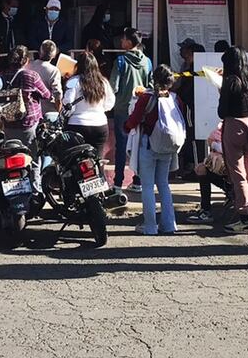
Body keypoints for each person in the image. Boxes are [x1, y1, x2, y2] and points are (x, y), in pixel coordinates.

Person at [125, 65, 182, 236]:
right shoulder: (175, 98)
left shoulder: (146, 97)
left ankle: (150, 226)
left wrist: (126, 126)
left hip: (148, 144)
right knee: (164, 184)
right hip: (167, 146)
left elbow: (133, 121)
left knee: (148, 186)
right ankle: (169, 224)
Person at [218, 46, 248, 233]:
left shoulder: (230, 81)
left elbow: (222, 111)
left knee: (238, 174)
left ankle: (244, 218)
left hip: (234, 126)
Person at [0, 45, 55, 194]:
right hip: (29, 123)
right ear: (26, 60)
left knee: (11, 158)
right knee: (33, 159)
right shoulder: (31, 76)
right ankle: (35, 192)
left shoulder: (3, 76)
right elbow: (47, 94)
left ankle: (12, 189)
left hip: (8, 122)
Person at [110, 28, 153, 194]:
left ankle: (118, 183)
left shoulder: (120, 61)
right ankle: (138, 180)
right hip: (141, 109)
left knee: (121, 146)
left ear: (129, 42)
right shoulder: (147, 62)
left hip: (122, 108)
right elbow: (150, 86)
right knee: (139, 145)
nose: (121, 42)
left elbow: (113, 87)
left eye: (123, 39)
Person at [62, 51, 115, 159]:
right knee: (97, 161)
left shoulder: (74, 81)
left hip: (77, 126)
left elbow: (69, 104)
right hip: (100, 125)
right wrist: (99, 110)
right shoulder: (103, 81)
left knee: (75, 162)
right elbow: (110, 102)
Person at [174, 38, 204, 181]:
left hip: (192, 108)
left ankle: (196, 167)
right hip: (192, 108)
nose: (181, 53)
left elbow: (186, 91)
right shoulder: (189, 69)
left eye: (185, 50)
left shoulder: (196, 71)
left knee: (193, 137)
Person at [29, 40, 63, 115]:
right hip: (48, 111)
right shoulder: (54, 70)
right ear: (54, 55)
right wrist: (59, 111)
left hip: (31, 109)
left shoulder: (29, 66)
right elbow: (57, 95)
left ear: (40, 52)